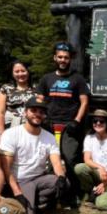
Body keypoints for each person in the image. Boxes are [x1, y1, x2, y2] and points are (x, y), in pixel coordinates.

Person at [0, 96, 67, 214]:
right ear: (25, 112)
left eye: (41, 112)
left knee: (63, 183)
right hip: (20, 180)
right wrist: (17, 192)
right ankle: (17, 200)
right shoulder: (11, 134)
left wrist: (61, 177)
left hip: (39, 178)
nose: (37, 114)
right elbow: (6, 168)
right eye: (33, 110)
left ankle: (32, 203)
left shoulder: (49, 137)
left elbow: (56, 162)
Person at [36, 41, 90, 195]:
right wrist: (42, 118)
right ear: (55, 58)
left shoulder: (77, 79)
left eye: (66, 57)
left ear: (70, 59)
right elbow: (39, 101)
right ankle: (54, 192)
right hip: (49, 125)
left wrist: (77, 121)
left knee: (69, 158)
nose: (62, 60)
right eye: (60, 57)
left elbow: (84, 102)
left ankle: (73, 192)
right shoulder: (46, 78)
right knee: (51, 159)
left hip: (69, 126)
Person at [74, 109, 107, 211]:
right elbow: (87, 159)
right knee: (79, 168)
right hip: (97, 173)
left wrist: (105, 183)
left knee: (102, 205)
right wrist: (100, 167)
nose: (98, 123)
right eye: (95, 121)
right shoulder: (89, 138)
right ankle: (92, 191)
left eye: (102, 121)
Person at [0, 60, 36, 136]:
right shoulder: (5, 88)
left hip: (32, 128)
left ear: (28, 71)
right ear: (12, 74)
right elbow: (0, 113)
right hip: (11, 128)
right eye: (17, 72)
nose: (20, 74)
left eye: (23, 71)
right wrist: (1, 133)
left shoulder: (37, 88)